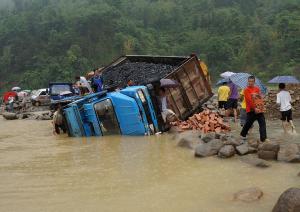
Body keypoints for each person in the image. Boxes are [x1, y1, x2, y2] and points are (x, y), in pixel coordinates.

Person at [240, 76, 267, 142]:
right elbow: (249, 100)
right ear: (248, 81)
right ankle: (243, 134)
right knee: (248, 124)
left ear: (254, 82)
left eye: (252, 81)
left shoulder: (257, 89)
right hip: (251, 110)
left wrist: (262, 107)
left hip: (259, 110)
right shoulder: (246, 90)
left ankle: (263, 139)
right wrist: (254, 108)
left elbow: (259, 99)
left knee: (262, 123)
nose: (250, 83)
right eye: (249, 81)